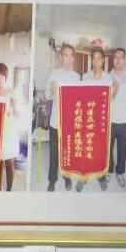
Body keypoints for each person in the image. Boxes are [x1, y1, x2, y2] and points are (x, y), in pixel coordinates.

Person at [45, 43, 81, 192]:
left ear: (73, 58)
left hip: (70, 123)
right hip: (55, 121)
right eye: (65, 55)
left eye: (71, 55)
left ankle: (67, 177)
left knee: (67, 152)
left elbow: (80, 100)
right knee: (54, 153)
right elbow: (47, 95)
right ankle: (52, 180)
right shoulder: (54, 74)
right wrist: (51, 89)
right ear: (61, 57)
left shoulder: (77, 77)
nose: (68, 58)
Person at [80, 47, 113, 192]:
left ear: (103, 60)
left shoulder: (108, 78)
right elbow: (82, 96)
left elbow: (109, 99)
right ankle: (84, 177)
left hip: (101, 119)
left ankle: (101, 177)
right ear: (91, 60)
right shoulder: (85, 77)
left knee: (101, 151)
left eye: (99, 58)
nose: (96, 61)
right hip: (88, 118)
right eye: (93, 59)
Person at [108, 47, 126, 188]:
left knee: (122, 150)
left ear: (124, 60)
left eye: (121, 57)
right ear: (112, 59)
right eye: (115, 57)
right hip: (109, 120)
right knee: (108, 150)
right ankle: (109, 171)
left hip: (124, 121)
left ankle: (120, 172)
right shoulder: (107, 77)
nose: (118, 60)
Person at [0, 63, 19, 192]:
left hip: (9, 130)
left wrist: (13, 108)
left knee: (9, 161)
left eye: (2, 75)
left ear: (5, 77)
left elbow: (17, 113)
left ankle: (9, 190)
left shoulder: (11, 92)